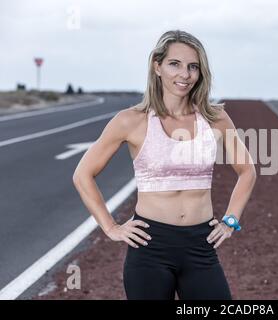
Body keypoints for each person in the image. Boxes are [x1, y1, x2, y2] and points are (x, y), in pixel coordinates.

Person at [72, 30, 257, 300]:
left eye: (193, 67)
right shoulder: (131, 120)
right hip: (150, 247)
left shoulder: (215, 118)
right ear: (157, 66)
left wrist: (231, 220)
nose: (185, 74)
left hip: (201, 245)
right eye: (175, 64)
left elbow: (247, 170)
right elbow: (82, 174)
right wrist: (111, 227)